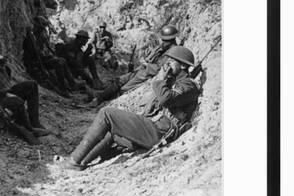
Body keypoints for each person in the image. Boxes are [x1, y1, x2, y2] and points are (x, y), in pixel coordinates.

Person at [59, 45, 199, 171]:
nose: (166, 64)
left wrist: (161, 79)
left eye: (171, 61)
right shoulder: (175, 81)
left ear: (182, 66)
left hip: (159, 133)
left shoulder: (188, 85)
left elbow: (165, 98)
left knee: (107, 114)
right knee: (112, 131)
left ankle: (73, 161)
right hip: (153, 127)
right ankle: (80, 161)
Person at [85, 24, 180, 105]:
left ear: (170, 40)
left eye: (164, 40)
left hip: (147, 74)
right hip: (142, 71)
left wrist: (147, 64)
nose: (162, 42)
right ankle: (99, 96)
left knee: (124, 88)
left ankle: (101, 98)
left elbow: (160, 69)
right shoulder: (164, 49)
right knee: (120, 80)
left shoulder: (173, 53)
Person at [23, 16, 73, 97]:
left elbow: (44, 50)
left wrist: (50, 56)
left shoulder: (39, 35)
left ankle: (71, 83)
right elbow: (35, 53)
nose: (43, 30)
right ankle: (63, 88)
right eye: (41, 28)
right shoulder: (31, 37)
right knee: (59, 63)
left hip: (40, 59)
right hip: (35, 62)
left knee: (62, 60)